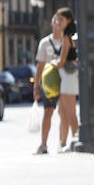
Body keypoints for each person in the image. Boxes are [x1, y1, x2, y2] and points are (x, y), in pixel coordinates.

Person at [33, 8, 78, 153]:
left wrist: (53, 63)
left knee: (68, 112)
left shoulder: (68, 37)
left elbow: (62, 61)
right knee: (54, 112)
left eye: (61, 20)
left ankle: (73, 141)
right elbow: (40, 65)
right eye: (56, 20)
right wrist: (37, 85)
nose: (58, 23)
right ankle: (58, 143)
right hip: (56, 81)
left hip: (67, 78)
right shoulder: (47, 42)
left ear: (68, 21)